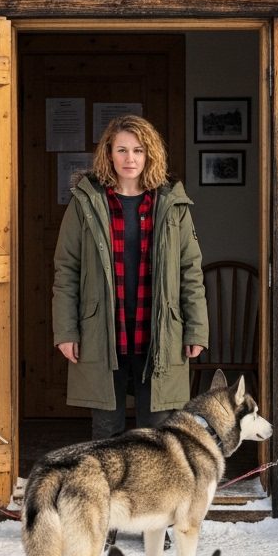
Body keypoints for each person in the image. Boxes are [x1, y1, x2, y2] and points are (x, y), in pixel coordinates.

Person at [52, 114, 208, 442]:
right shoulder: (86, 202)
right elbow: (67, 270)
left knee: (157, 433)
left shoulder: (172, 203)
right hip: (102, 331)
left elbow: (190, 271)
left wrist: (196, 330)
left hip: (159, 332)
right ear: (108, 154)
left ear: (150, 154)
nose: (130, 159)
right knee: (106, 431)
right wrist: (66, 331)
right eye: (121, 150)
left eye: (138, 150)